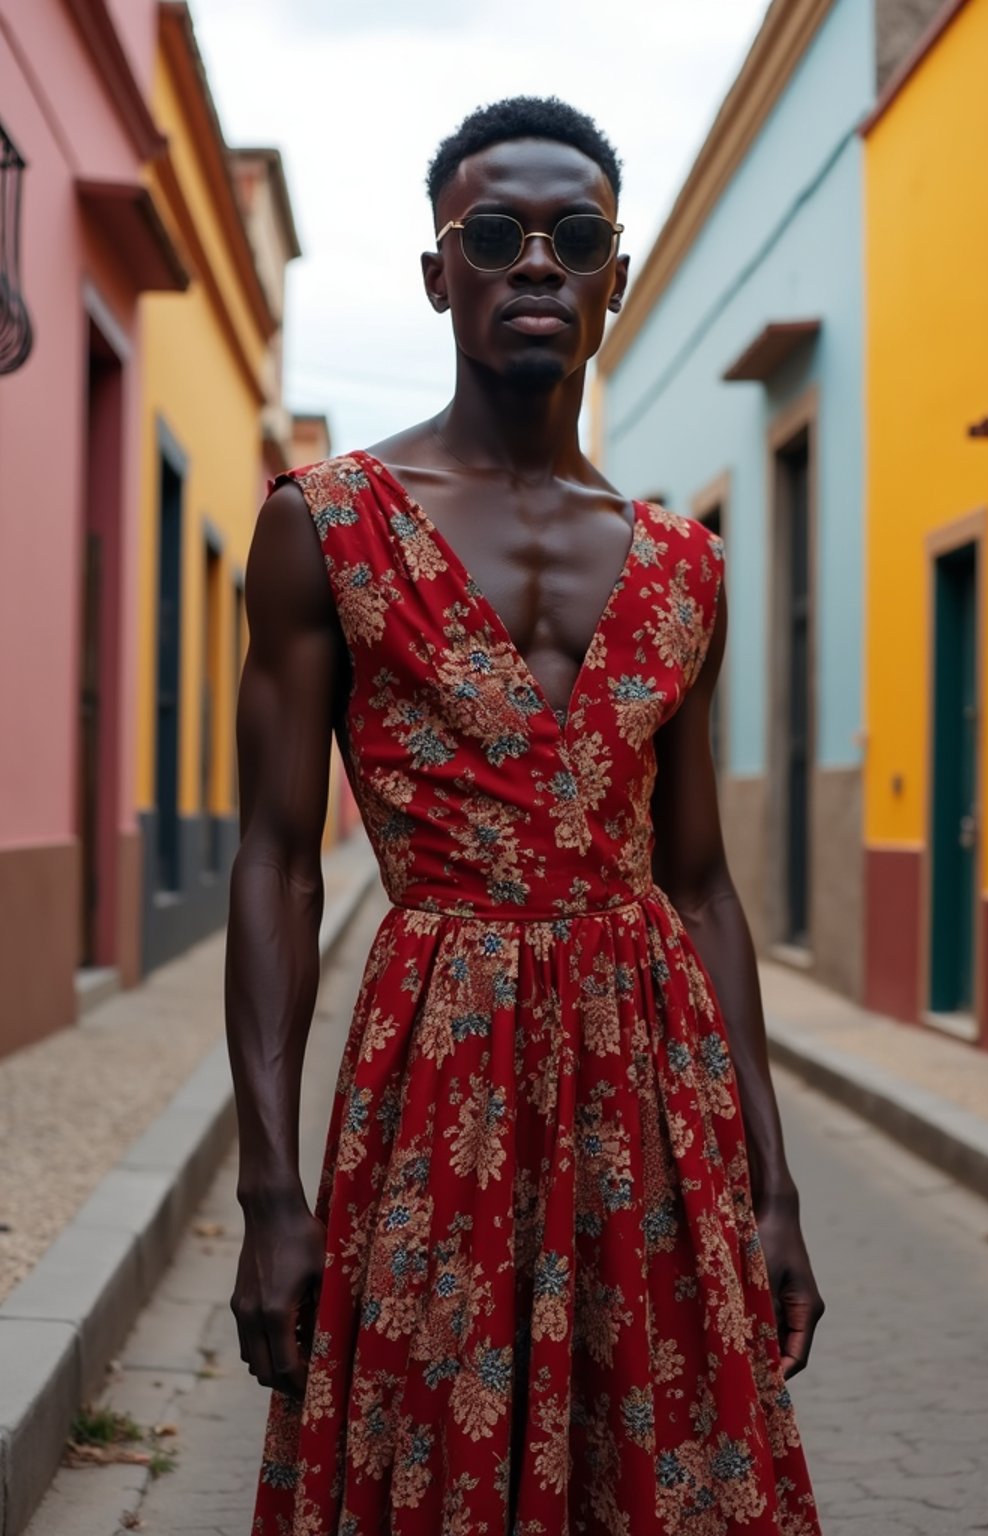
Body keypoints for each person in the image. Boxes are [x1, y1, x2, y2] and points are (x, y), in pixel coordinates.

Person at [227, 96, 824, 1536]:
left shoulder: (688, 565)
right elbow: (274, 864)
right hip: (437, 1069)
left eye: (579, 239)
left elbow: (700, 886)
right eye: (496, 235)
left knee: (664, 1462)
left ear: (617, 276)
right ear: (441, 274)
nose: (537, 264)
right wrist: (268, 1191)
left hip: (651, 1095)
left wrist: (773, 1178)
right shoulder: (328, 522)